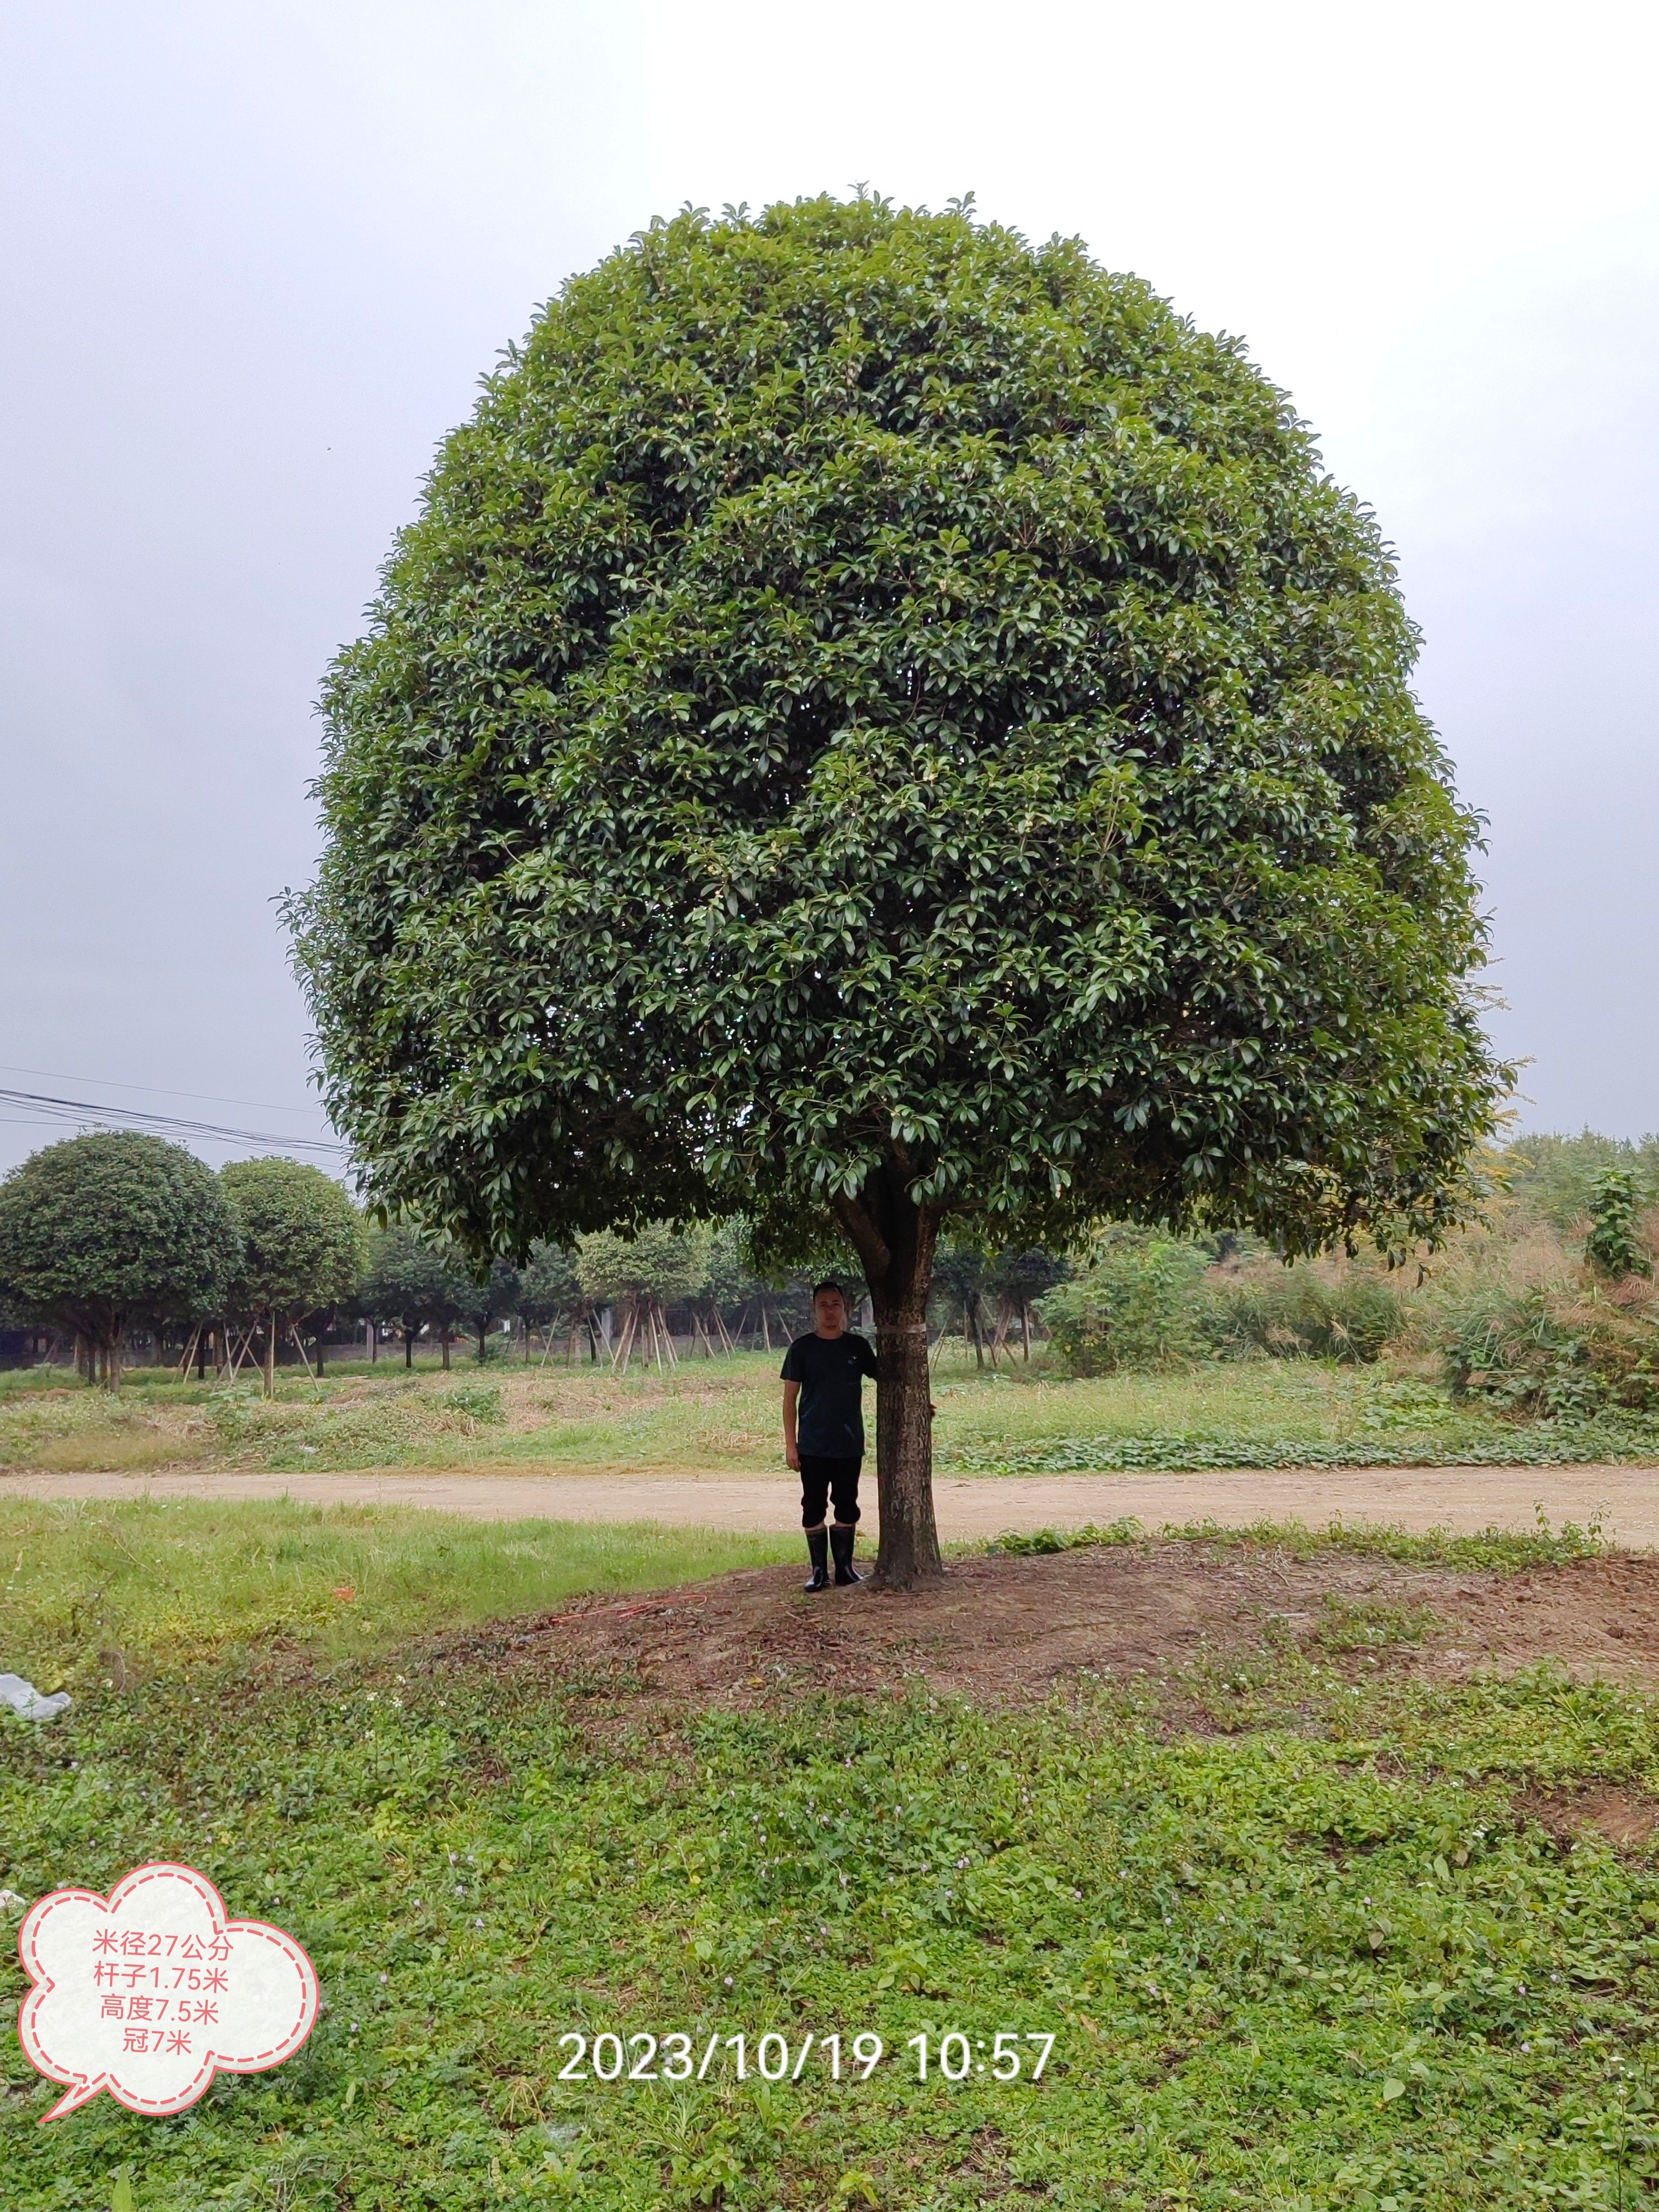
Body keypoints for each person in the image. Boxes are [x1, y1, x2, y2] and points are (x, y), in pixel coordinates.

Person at [781, 1280, 879, 1590]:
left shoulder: (858, 1347)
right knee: (813, 1506)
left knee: (847, 1505)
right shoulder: (802, 1349)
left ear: (845, 1308)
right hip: (812, 1444)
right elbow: (789, 1401)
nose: (830, 1311)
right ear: (814, 1309)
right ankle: (818, 1572)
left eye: (836, 1304)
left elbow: (888, 1378)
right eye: (824, 1305)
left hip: (849, 1443)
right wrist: (791, 1445)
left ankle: (846, 1570)